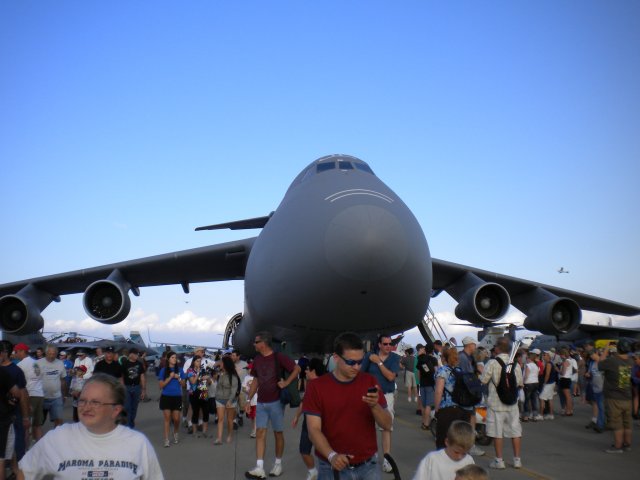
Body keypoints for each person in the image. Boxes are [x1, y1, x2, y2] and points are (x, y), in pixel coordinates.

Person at [17, 373, 164, 479]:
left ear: (116, 410)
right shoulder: (58, 437)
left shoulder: (137, 443)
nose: (86, 407)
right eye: (83, 401)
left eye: (95, 402)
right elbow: (25, 470)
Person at [304, 332, 391, 480]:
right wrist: (332, 456)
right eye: (351, 362)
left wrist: (375, 406)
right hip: (331, 468)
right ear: (336, 357)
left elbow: (387, 424)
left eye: (360, 361)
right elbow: (313, 430)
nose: (357, 367)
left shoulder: (370, 382)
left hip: (368, 467)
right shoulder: (317, 387)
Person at [244, 332, 300, 479]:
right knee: (260, 433)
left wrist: (286, 383)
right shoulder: (257, 359)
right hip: (261, 402)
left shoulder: (278, 357)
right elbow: (255, 380)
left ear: (263, 343)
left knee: (278, 433)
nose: (254, 344)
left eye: (256, 342)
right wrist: (249, 400)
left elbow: (297, 369)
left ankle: (278, 464)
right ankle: (259, 467)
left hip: (276, 402)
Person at [479, 337, 523, 470]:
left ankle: (499, 461)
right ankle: (517, 460)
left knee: (498, 433)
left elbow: (484, 381)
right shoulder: (515, 364)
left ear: (497, 348)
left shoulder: (492, 363)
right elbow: (520, 384)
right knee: (515, 432)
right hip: (512, 404)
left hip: (496, 404)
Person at [361, 334, 401, 474]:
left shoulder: (395, 358)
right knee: (367, 425)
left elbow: (390, 376)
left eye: (390, 344)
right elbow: (361, 374)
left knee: (386, 427)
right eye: (385, 344)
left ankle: (386, 459)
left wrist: (378, 362)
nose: (388, 346)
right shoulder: (368, 356)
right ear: (379, 345)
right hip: (370, 395)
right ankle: (369, 456)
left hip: (387, 395)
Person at [292, 357, 326, 480]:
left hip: (323, 425)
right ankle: (312, 472)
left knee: (324, 453)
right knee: (304, 450)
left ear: (313, 371)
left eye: (307, 369)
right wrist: (296, 416)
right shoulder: (310, 385)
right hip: (307, 424)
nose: (305, 372)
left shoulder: (325, 386)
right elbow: (304, 402)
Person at [598, 339, 634, 453]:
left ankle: (618, 447)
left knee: (617, 423)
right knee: (627, 422)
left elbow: (600, 364)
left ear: (618, 348)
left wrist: (606, 348)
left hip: (614, 397)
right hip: (627, 397)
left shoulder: (612, 361)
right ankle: (627, 444)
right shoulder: (631, 361)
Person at [434, 348, 471, 450]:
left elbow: (438, 391)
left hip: (447, 409)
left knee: (442, 441)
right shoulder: (460, 371)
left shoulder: (442, 371)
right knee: (458, 441)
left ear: (444, 358)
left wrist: (437, 409)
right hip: (462, 410)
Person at [1, 357, 29, 480]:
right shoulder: (3, 372)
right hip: (3, 419)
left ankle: (15, 469)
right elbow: (17, 393)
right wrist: (11, 401)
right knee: (1, 459)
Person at [457, 336, 485, 456]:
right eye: (474, 344)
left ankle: (468, 443)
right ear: (469, 345)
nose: (475, 347)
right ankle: (468, 445)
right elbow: (467, 376)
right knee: (468, 418)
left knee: (470, 416)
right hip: (467, 393)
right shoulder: (463, 358)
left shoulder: (467, 357)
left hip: (468, 392)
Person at [15, 343, 44, 442]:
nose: (15, 354)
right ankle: (39, 449)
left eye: (16, 352)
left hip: (29, 396)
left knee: (26, 425)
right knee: (37, 425)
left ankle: (24, 452)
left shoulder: (20, 365)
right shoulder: (36, 363)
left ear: (22, 351)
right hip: (39, 395)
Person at [158, 351, 186, 448]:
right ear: (168, 359)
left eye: (175, 357)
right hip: (166, 396)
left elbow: (184, 385)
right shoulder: (163, 370)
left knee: (176, 419)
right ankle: (166, 439)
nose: (175, 359)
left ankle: (176, 432)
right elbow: (161, 386)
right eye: (173, 357)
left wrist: (178, 378)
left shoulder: (180, 370)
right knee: (167, 418)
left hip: (177, 397)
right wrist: (170, 377)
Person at [37, 345, 67, 428]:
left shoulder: (60, 363)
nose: (51, 356)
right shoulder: (38, 363)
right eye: (49, 353)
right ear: (45, 353)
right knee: (38, 422)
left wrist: (64, 395)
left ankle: (56, 438)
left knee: (59, 421)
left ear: (56, 354)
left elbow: (63, 380)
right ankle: (37, 439)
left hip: (56, 397)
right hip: (41, 397)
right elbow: (33, 380)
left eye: (54, 354)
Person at [214, 355, 241, 444]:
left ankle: (230, 435)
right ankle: (219, 438)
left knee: (230, 420)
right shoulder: (220, 373)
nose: (220, 363)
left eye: (222, 362)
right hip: (219, 399)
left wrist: (230, 400)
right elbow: (213, 366)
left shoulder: (233, 376)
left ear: (225, 364)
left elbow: (234, 390)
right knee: (220, 419)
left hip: (230, 400)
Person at [121, 348, 147, 428]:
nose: (137, 355)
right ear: (131, 354)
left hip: (136, 387)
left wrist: (143, 390)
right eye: (136, 354)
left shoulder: (139, 364)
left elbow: (142, 377)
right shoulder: (124, 364)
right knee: (127, 407)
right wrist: (122, 388)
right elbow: (121, 377)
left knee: (134, 408)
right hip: (127, 388)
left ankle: (131, 423)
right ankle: (127, 425)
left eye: (137, 354)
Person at [416, 343, 438, 431]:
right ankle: (426, 424)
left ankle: (423, 422)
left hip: (422, 384)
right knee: (429, 405)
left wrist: (419, 382)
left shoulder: (421, 359)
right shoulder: (434, 359)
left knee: (423, 405)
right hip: (430, 384)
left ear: (425, 350)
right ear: (432, 350)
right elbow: (436, 372)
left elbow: (419, 372)